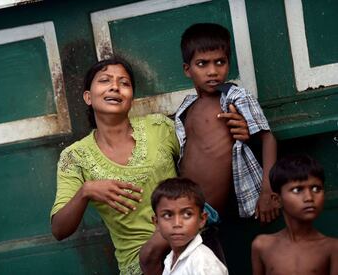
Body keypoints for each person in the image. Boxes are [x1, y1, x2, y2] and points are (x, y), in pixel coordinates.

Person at [50, 57, 250, 275]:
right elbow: (59, 230)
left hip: (188, 252)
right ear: (88, 97)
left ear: (131, 98)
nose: (115, 87)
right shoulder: (75, 156)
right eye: (105, 80)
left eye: (124, 83)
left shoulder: (159, 127)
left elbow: (204, 154)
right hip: (140, 265)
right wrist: (86, 191)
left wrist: (238, 132)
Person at [140, 23, 278, 273]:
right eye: (203, 64)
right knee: (199, 262)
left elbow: (267, 137)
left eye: (220, 62)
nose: (213, 71)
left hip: (204, 205)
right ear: (187, 70)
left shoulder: (235, 97)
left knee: (150, 254)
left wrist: (266, 192)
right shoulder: (187, 106)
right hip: (182, 200)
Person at [251, 154, 338, 275]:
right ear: (277, 200)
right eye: (297, 190)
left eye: (316, 189)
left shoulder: (332, 248)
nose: (309, 197)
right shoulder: (262, 246)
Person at [151, 177, 228, 275]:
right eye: (168, 215)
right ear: (156, 222)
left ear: (202, 219)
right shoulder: (170, 259)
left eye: (187, 214)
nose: (177, 223)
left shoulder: (203, 263)